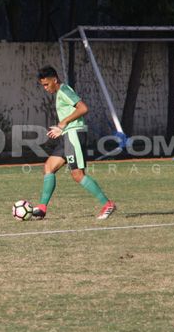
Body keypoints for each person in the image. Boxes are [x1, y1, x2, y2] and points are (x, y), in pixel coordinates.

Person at [32, 66, 116, 220]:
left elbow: (83, 108)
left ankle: (107, 204)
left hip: (74, 134)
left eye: (46, 84)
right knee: (48, 167)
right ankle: (42, 208)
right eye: (42, 85)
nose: (45, 88)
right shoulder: (60, 93)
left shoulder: (64, 90)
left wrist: (62, 123)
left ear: (55, 80)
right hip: (67, 136)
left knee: (77, 175)